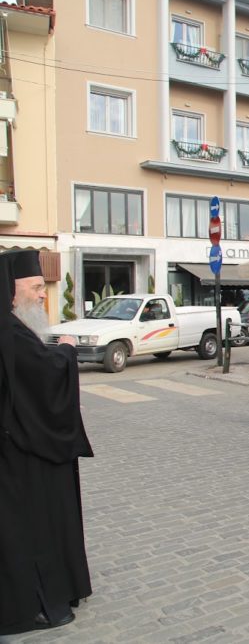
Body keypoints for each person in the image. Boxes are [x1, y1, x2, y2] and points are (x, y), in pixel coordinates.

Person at [0, 250, 93, 635]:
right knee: (27, 529)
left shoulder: (12, 327)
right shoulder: (8, 329)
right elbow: (41, 378)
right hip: (19, 457)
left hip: (15, 448)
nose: (42, 295)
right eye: (36, 287)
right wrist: (68, 352)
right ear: (11, 291)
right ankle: (35, 605)